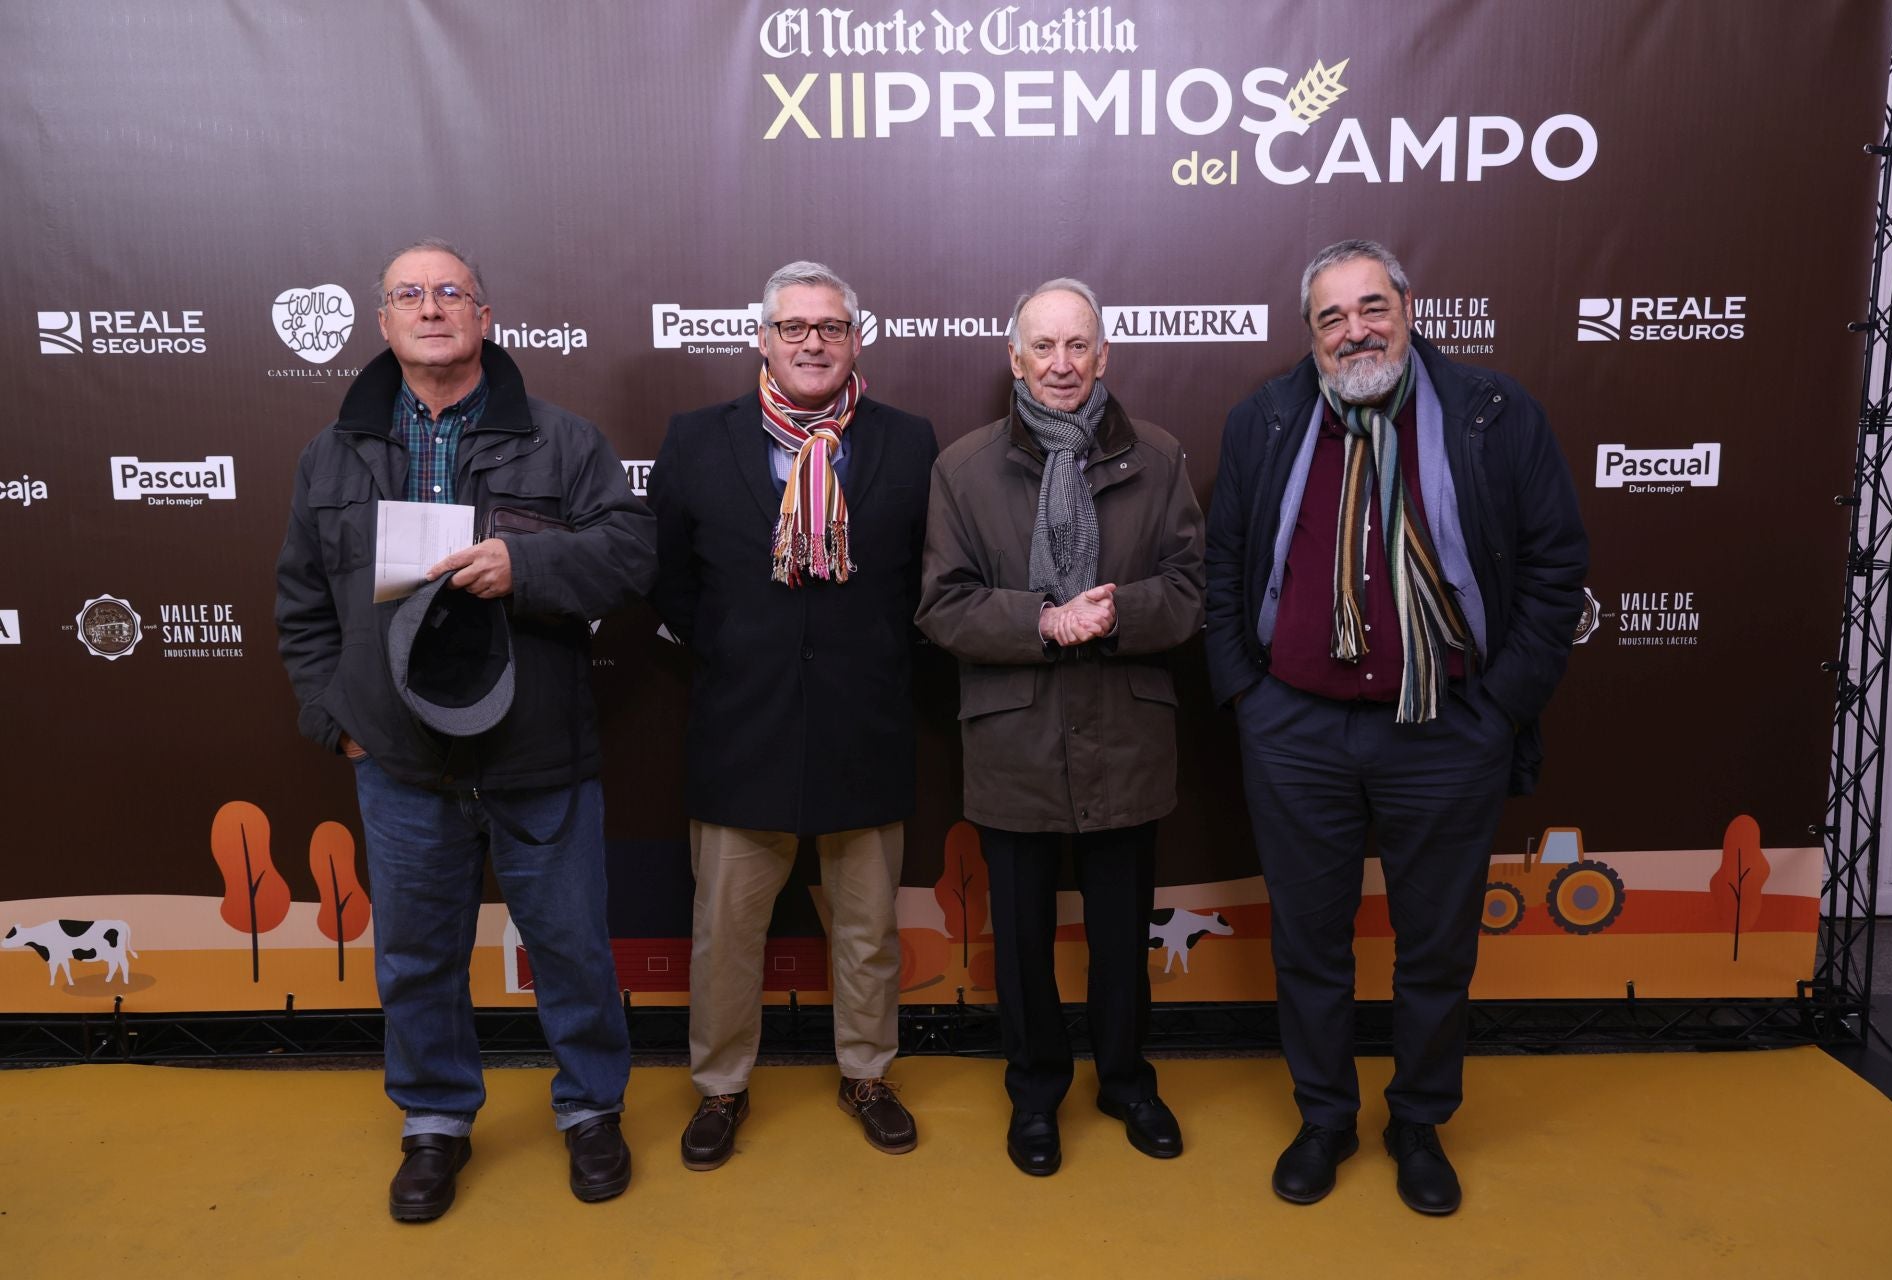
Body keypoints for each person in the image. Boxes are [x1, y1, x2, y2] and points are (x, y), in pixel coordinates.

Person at [275, 238, 655, 1221]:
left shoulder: (564, 440)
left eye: (453, 292)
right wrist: (335, 717)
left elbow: (626, 555)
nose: (433, 307)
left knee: (570, 944)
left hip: (537, 753)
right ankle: (435, 1120)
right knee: (413, 953)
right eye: (411, 294)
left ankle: (589, 1108)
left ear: (485, 317)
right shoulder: (333, 452)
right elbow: (303, 604)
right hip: (399, 761)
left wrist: (525, 567)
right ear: (383, 321)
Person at [1205, 239, 1587, 1214]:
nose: (1354, 330)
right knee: (1309, 942)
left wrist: (1498, 707)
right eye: (1331, 317)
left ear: (1409, 308)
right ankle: (1326, 1116)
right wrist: (1249, 696)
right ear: (1311, 334)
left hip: (1446, 728)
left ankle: (1418, 1119)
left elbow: (1554, 568)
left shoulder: (1491, 414)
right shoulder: (1268, 417)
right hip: (1294, 727)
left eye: (1371, 306)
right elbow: (1225, 566)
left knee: (1436, 944)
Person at [649, 261, 937, 1170]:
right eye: (794, 326)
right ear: (761, 339)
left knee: (866, 931)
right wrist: (747, 657)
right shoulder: (696, 440)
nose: (813, 342)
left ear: (857, 340)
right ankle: (722, 1089)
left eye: (831, 327)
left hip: (867, 726)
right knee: (726, 934)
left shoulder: (910, 441)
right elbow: (674, 586)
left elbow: (922, 589)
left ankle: (867, 1074)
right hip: (743, 727)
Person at [917, 278, 1204, 1176]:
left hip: (1126, 738)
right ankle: (1035, 1093)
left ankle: (1126, 1082)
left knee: (1123, 935)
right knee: (1024, 944)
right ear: (1014, 359)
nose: (1061, 364)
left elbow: (1194, 592)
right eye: (1042, 347)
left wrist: (1117, 613)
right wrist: (1041, 622)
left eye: (1078, 346)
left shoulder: (1159, 458)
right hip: (1015, 743)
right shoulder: (963, 468)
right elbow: (941, 606)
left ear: (1104, 355)